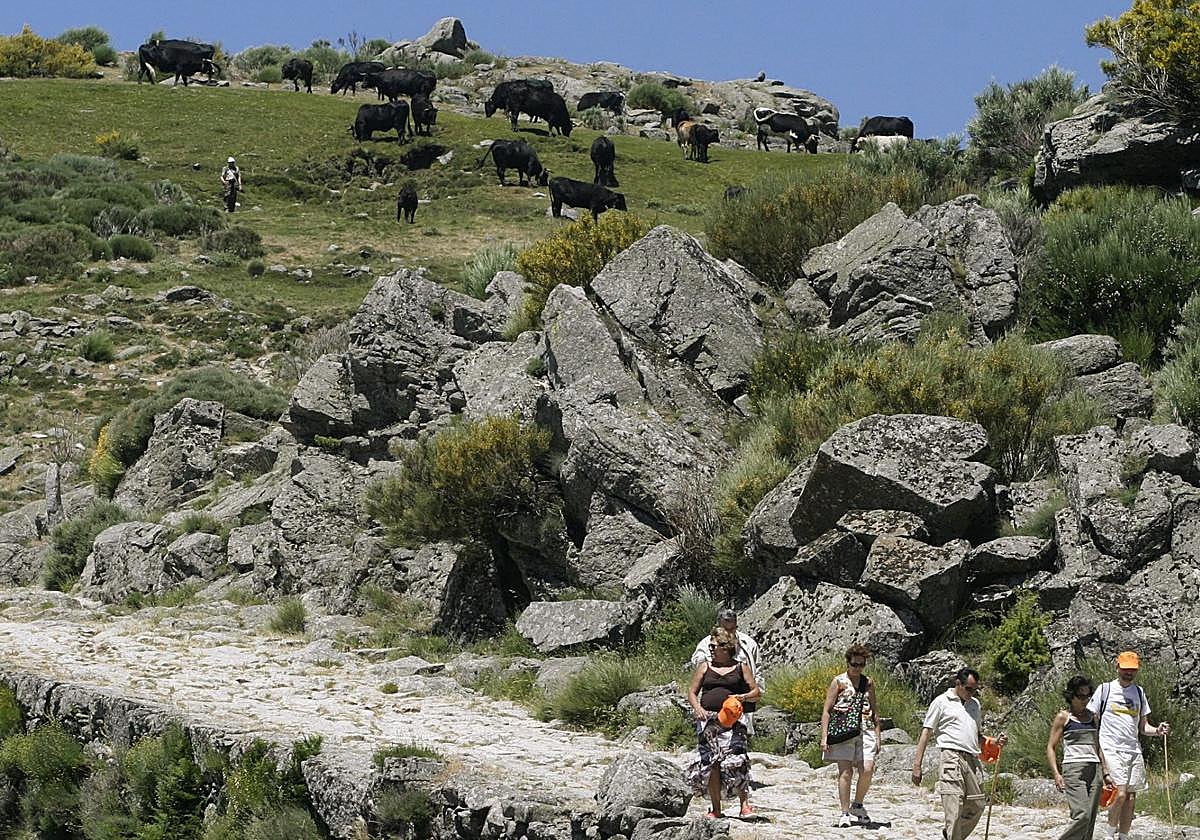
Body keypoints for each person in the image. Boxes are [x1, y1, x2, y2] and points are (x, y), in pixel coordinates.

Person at [911, 668, 1007, 840]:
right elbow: (926, 733)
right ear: (958, 684)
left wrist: (994, 742)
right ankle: (952, 834)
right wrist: (917, 765)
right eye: (968, 689)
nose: (971, 693)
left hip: (972, 759)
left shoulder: (975, 705)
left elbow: (977, 735)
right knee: (954, 808)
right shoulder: (941, 702)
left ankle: (949, 835)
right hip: (951, 757)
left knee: (977, 805)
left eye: (974, 689)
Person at [1086, 651, 1170, 840]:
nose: (1128, 673)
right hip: (1111, 748)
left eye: (1132, 670)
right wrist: (1096, 749)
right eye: (1125, 669)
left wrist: (1158, 730)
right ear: (1117, 667)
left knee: (1131, 798)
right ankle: (1109, 835)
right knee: (1120, 794)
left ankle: (1123, 836)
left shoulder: (1139, 692)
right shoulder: (1104, 689)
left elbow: (1143, 726)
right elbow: (1093, 721)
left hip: (1133, 750)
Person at [685, 626, 760, 819]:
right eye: (710, 645)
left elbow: (756, 692)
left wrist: (742, 697)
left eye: (714, 645)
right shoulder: (704, 666)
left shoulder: (740, 667)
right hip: (708, 721)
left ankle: (745, 805)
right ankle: (716, 809)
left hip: (733, 720)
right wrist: (697, 708)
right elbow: (692, 692)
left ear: (725, 647)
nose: (710, 648)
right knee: (711, 763)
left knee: (737, 760)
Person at [820, 643, 882, 827]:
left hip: (866, 729)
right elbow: (827, 710)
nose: (857, 668)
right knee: (845, 772)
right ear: (848, 663)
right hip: (843, 731)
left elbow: (874, 710)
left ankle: (858, 803)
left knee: (867, 769)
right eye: (854, 664)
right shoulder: (838, 682)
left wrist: (878, 736)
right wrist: (824, 736)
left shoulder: (868, 682)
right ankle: (844, 812)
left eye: (861, 665)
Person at [1046, 675, 1111, 840]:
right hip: (1074, 769)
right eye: (1081, 696)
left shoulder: (1093, 717)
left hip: (1094, 769)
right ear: (1071, 696)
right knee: (1082, 815)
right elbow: (1051, 747)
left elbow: (1098, 746)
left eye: (1088, 695)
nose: (1085, 700)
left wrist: (1105, 773)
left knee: (1091, 819)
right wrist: (1056, 774)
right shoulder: (1063, 717)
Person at [689, 608, 764, 727]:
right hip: (710, 712)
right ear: (718, 626)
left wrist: (754, 696)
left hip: (741, 708)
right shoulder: (706, 645)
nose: (729, 633)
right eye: (725, 629)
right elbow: (698, 676)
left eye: (732, 629)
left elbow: (757, 670)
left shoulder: (748, 645)